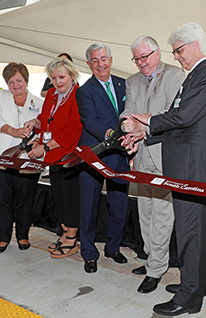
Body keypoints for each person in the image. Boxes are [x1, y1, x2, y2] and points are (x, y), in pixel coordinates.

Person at [123, 22, 206, 316]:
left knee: (190, 231)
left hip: (192, 167)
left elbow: (184, 116)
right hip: (184, 165)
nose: (177, 57)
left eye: (179, 51)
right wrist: (146, 132)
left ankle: (188, 296)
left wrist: (147, 122)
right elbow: (180, 118)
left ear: (195, 45)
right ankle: (195, 285)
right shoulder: (195, 76)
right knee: (191, 231)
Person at [120, 36, 184, 294]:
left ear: (158, 53)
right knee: (144, 209)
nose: (141, 63)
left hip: (163, 155)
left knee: (161, 213)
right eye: (136, 58)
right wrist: (127, 129)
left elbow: (172, 116)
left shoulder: (174, 76)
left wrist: (140, 128)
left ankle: (157, 268)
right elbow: (128, 112)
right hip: (140, 156)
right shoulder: (132, 81)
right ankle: (149, 257)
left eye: (145, 57)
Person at [76, 43, 130, 273]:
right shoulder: (84, 91)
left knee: (119, 204)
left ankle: (113, 248)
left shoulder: (124, 84)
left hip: (120, 154)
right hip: (94, 154)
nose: (100, 64)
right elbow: (89, 120)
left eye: (103, 59)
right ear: (89, 64)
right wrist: (110, 135)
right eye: (95, 61)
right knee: (89, 206)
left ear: (110, 59)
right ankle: (89, 253)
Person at [0, 62, 43, 253]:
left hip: (26, 160)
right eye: (10, 81)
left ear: (26, 80)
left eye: (18, 80)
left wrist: (37, 140)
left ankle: (22, 236)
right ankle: (3, 238)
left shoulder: (38, 103)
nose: (15, 85)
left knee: (25, 199)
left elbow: (44, 128)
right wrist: (13, 131)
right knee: (2, 199)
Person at [25, 57, 83, 259]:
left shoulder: (78, 95)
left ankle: (72, 238)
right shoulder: (51, 94)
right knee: (58, 197)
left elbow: (74, 129)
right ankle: (66, 233)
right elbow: (45, 120)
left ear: (72, 76)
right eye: (54, 77)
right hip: (53, 156)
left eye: (62, 77)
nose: (58, 81)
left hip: (69, 156)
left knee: (70, 198)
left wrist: (45, 146)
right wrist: (35, 123)